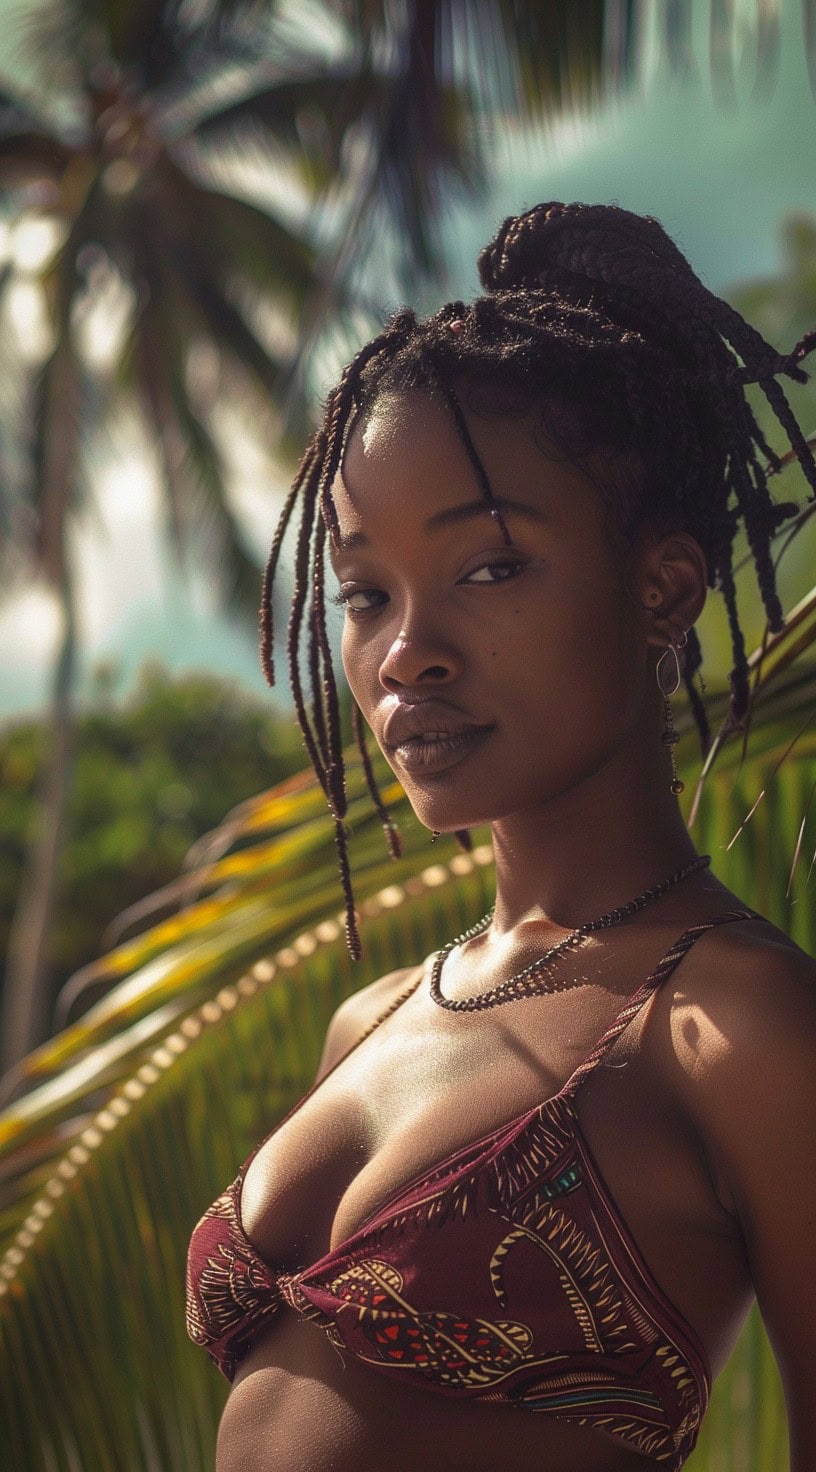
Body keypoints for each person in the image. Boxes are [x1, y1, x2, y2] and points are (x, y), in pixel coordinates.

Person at [186, 201, 816, 1472]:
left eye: (488, 568)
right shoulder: (369, 1022)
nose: (405, 650)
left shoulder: (734, 1023)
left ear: (662, 588)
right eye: (365, 593)